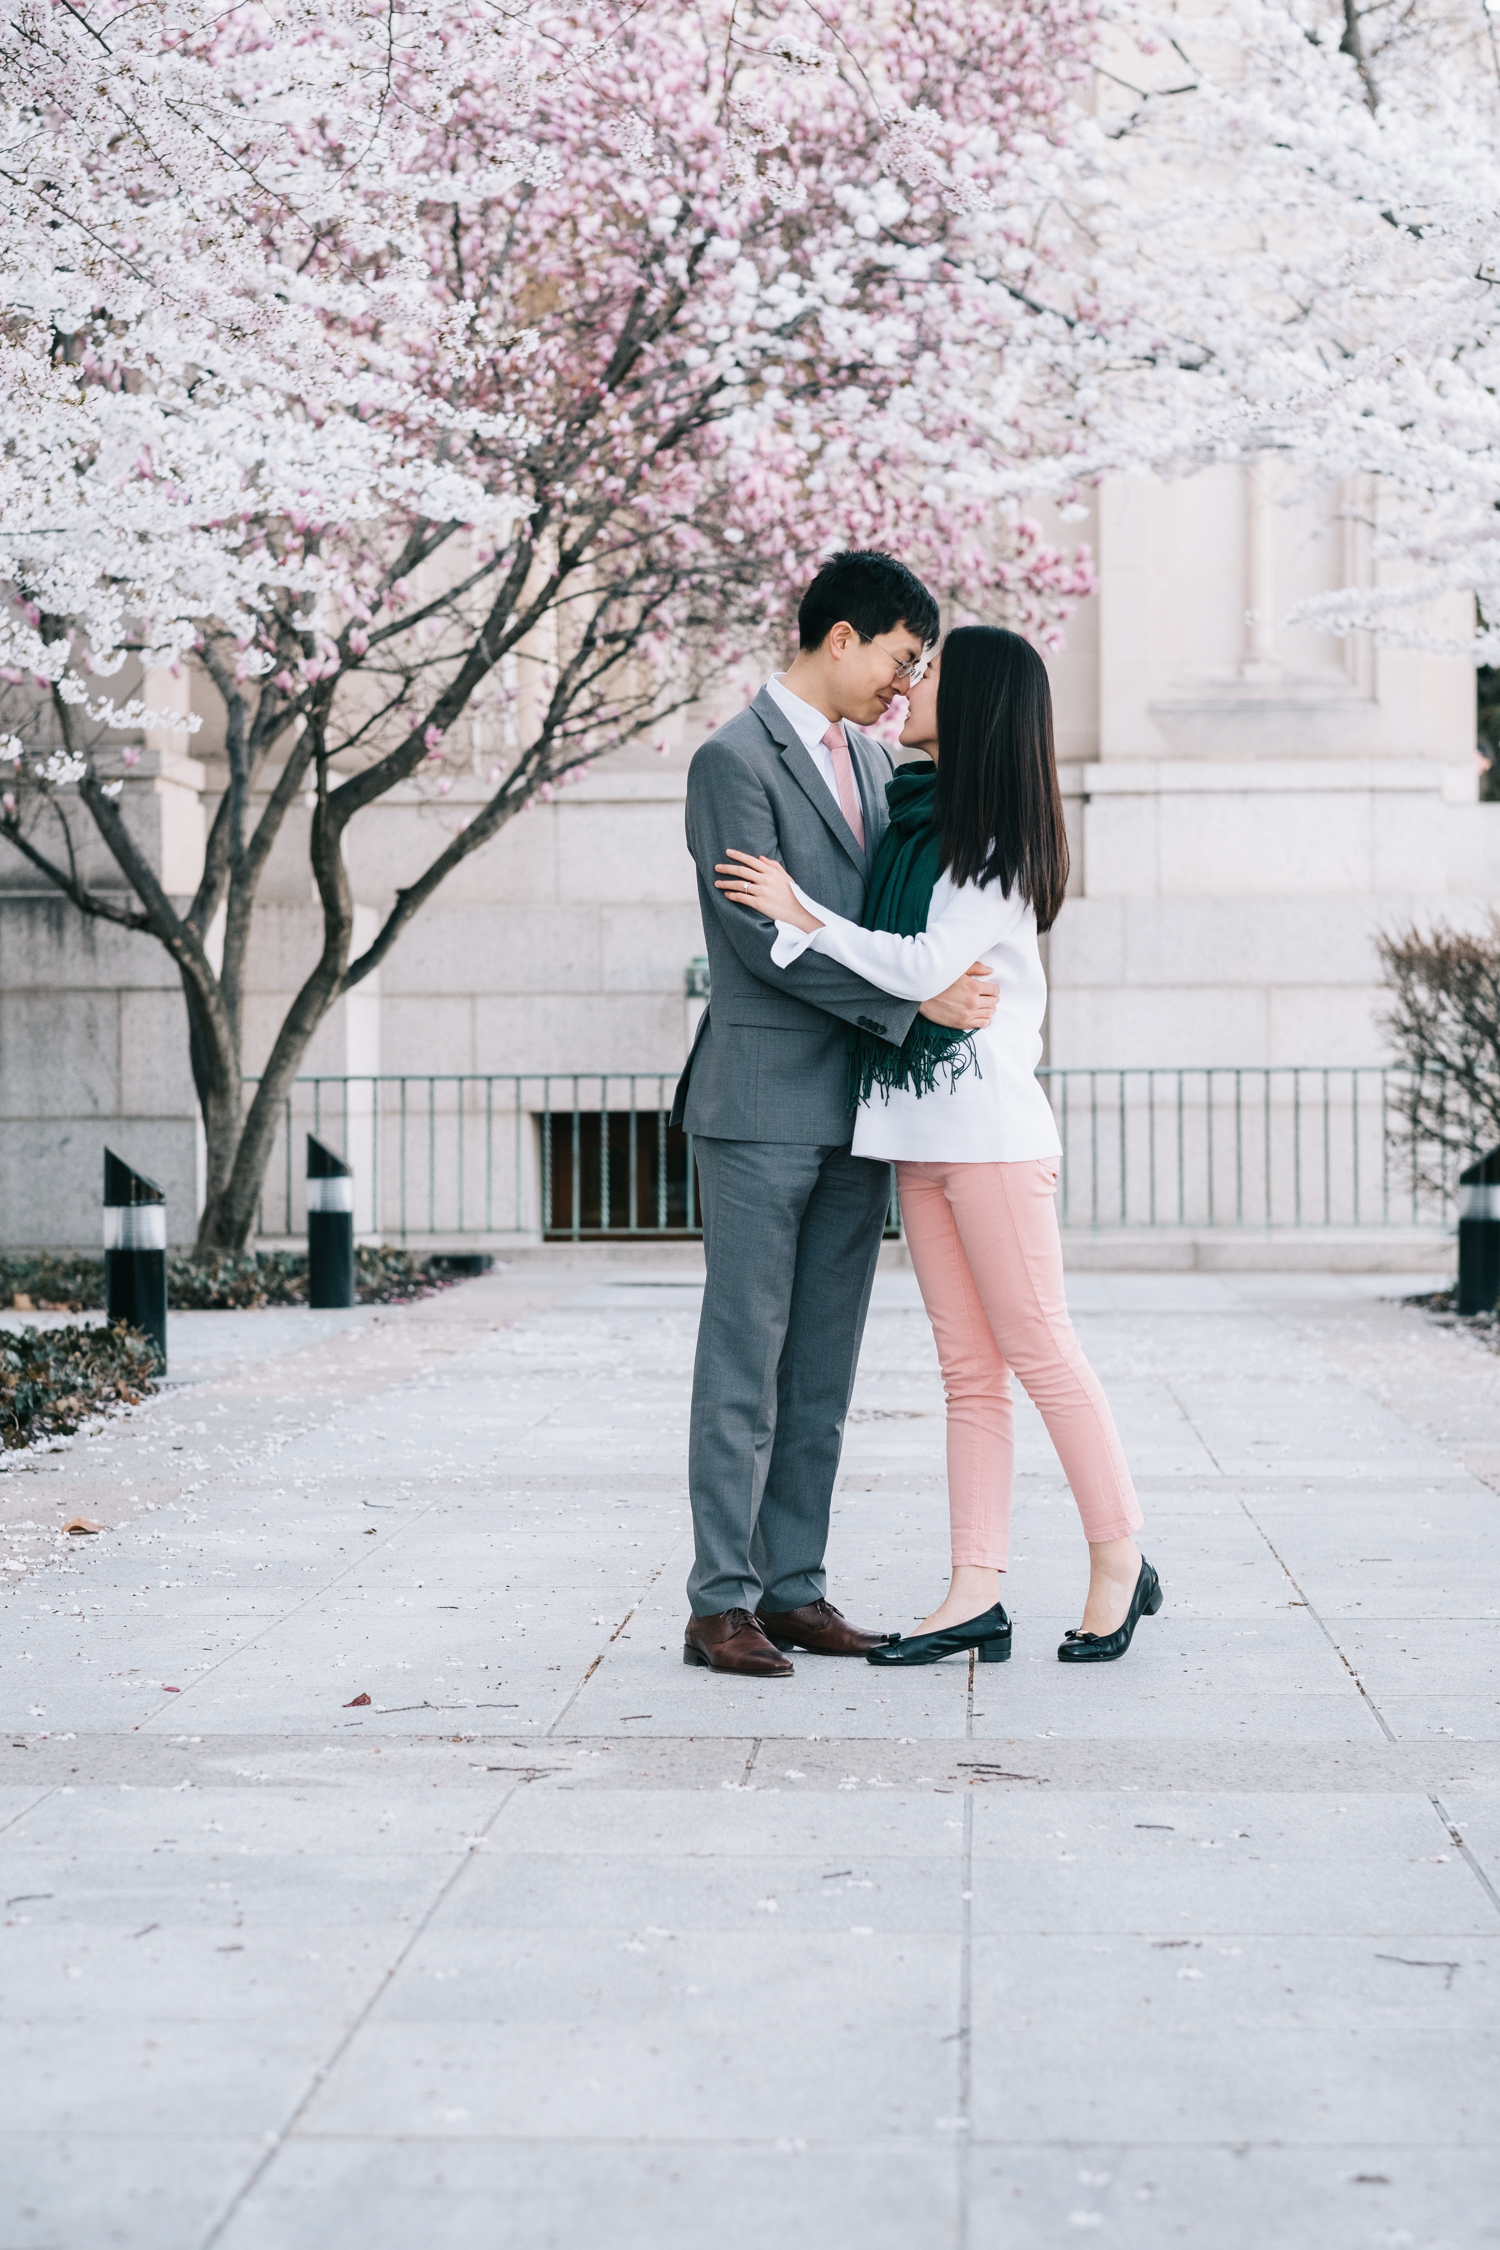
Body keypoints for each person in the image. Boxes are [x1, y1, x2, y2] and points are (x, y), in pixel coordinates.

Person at [717, 624, 1161, 1667]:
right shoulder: (917, 823)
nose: (912, 685)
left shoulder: (997, 847)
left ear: (978, 710)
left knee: (1041, 1352)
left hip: (994, 1141)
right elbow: (918, 975)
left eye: (933, 674)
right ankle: (974, 1591)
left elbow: (921, 964)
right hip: (917, 1132)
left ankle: (1119, 1561)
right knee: (969, 1373)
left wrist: (802, 913)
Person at [671, 552, 1000, 1678]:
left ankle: (793, 1585)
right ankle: (719, 1600)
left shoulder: (874, 759)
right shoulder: (730, 760)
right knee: (744, 1357)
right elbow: (759, 945)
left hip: (857, 1110)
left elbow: (895, 910)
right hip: (759, 1103)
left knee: (822, 1365)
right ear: (844, 636)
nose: (903, 689)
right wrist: (916, 1007)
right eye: (901, 660)